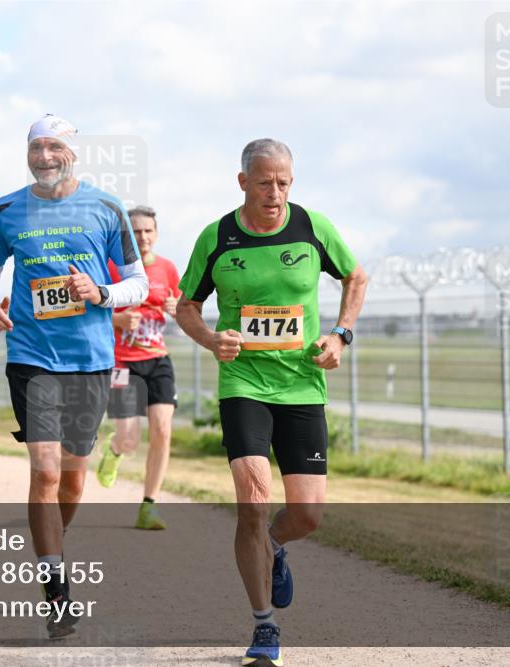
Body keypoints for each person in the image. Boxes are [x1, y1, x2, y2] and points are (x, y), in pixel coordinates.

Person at [174, 139, 368, 666]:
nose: (276, 193)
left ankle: (276, 547)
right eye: (265, 182)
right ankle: (264, 627)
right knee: (253, 500)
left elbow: (356, 276)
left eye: (284, 182)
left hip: (303, 385)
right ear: (242, 183)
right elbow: (186, 305)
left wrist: (340, 335)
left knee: (307, 514)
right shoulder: (218, 237)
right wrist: (213, 339)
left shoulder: (312, 228)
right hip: (244, 385)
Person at [0, 114, 148, 639]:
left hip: (90, 359)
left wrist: (102, 294)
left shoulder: (105, 207)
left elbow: (137, 282)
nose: (44, 157)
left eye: (53, 148)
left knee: (73, 477)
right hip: (31, 356)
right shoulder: (6, 209)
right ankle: (56, 590)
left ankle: (50, 542)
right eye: (35, 149)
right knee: (45, 472)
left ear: (73, 152)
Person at [95, 205, 181, 530]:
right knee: (129, 438)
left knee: (162, 430)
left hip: (158, 360)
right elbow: (87, 311)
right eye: (136, 231)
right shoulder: (111, 268)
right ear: (126, 236)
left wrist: (176, 308)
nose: (143, 237)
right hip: (121, 364)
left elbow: (185, 309)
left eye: (148, 231)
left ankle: (149, 506)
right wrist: (115, 318)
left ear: (156, 234)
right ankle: (114, 450)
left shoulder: (168, 269)